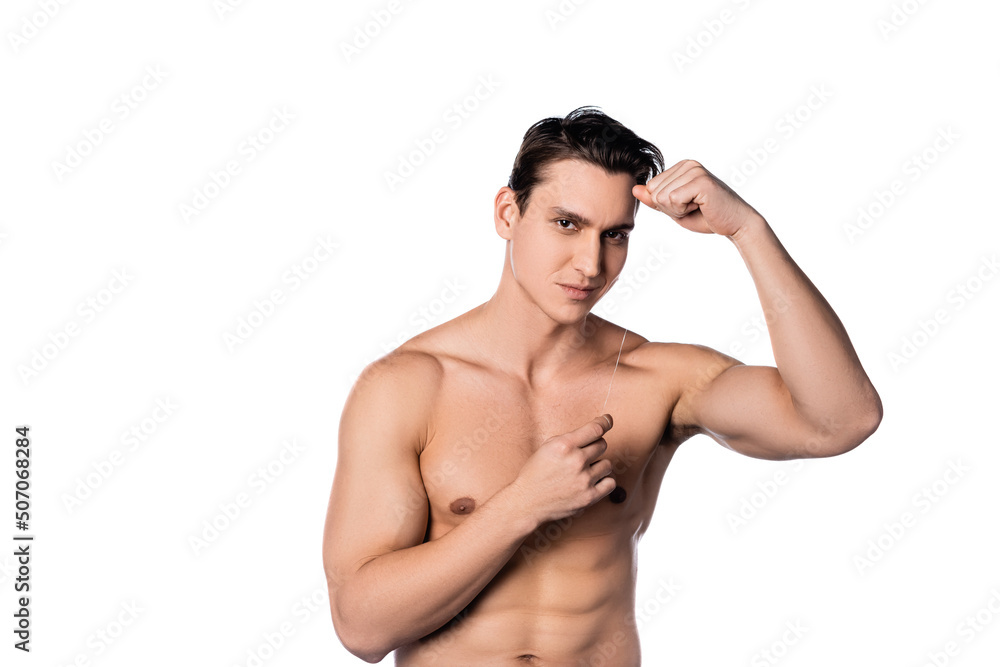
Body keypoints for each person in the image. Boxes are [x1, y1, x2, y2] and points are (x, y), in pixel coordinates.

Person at [321, 106, 882, 665]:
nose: (591, 264)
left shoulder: (658, 378)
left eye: (614, 234)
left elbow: (841, 420)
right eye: (567, 224)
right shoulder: (406, 387)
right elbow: (362, 628)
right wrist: (522, 505)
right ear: (508, 213)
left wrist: (747, 231)